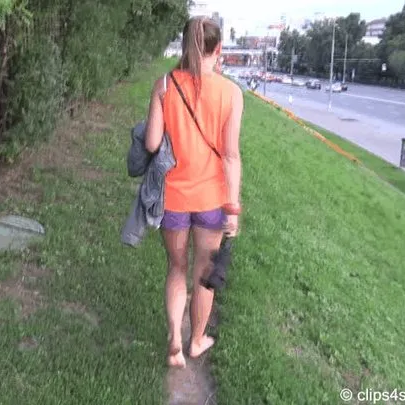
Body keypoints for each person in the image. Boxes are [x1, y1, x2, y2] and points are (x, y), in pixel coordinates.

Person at [144, 16, 244, 368]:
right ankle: (196, 341)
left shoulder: (165, 85)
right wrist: (233, 209)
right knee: (204, 273)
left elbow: (152, 142)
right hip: (212, 201)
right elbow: (231, 156)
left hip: (173, 198)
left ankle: (174, 341)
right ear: (218, 49)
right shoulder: (231, 93)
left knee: (176, 267)